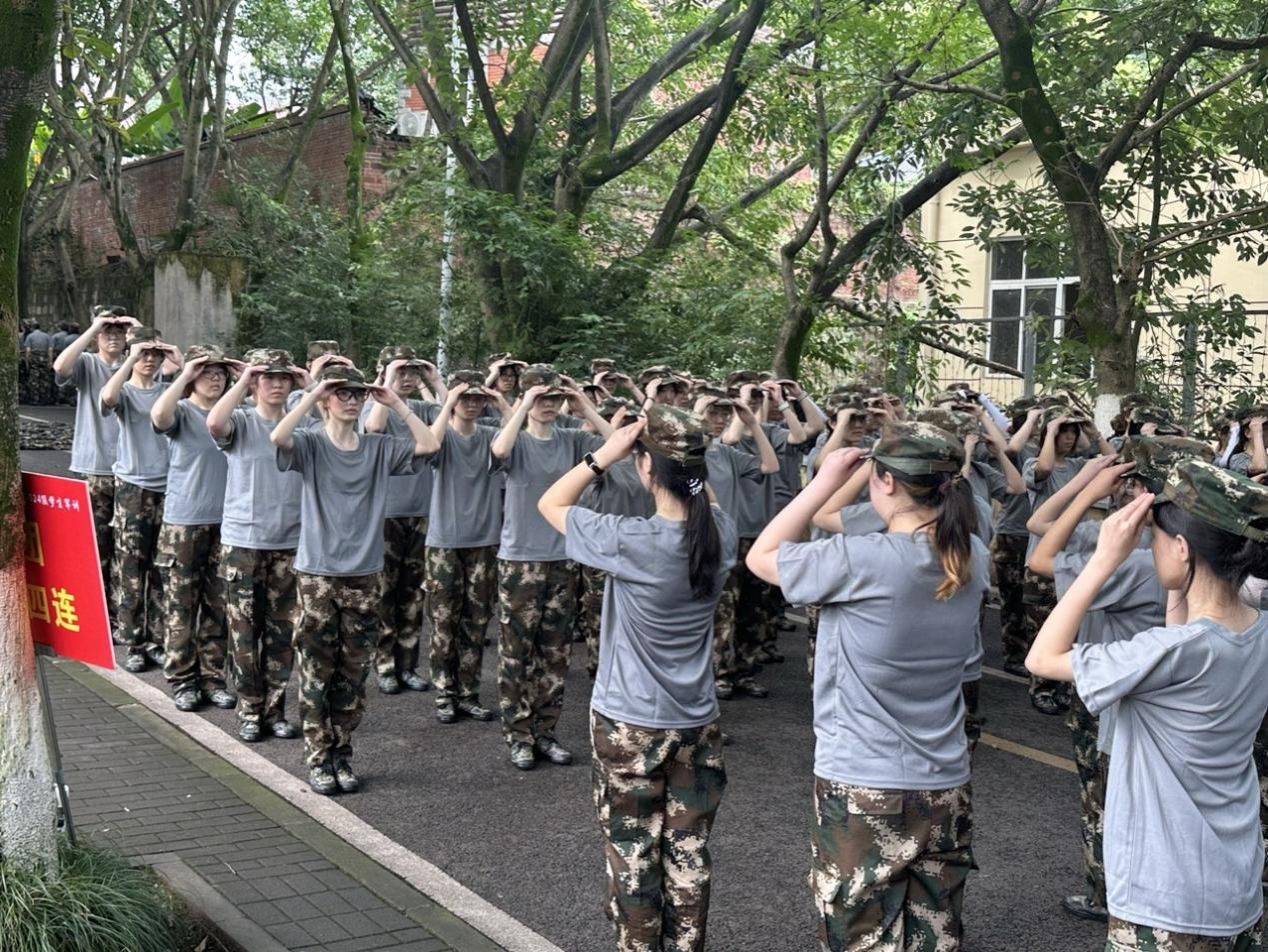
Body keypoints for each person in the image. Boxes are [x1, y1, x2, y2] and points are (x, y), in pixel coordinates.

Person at [746, 422, 987, 951]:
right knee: (935, 936)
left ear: (886, 480)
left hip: (864, 782)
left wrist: (822, 481)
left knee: (860, 938)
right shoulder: (972, 552)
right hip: (944, 781)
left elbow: (761, 557)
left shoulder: (863, 558)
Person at [1027, 459, 1268, 951]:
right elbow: (1186, 629)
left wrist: (1103, 560)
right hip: (1234, 886)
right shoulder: (1255, 630)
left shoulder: (1167, 653)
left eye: (1155, 537)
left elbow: (1042, 657)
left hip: (1164, 900)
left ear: (1181, 548)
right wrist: (1180, 581)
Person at [538, 405, 738, 952]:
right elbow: (703, 497)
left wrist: (604, 454)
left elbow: (551, 503)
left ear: (646, 468)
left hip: (630, 722)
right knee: (689, 851)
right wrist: (678, 458)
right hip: (696, 721)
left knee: (632, 851)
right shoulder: (721, 530)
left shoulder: (631, 540)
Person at [273, 363, 440, 795]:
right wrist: (313, 393)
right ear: (328, 399)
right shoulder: (311, 442)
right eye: (342, 393)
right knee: (316, 671)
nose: (350, 400)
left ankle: (342, 754)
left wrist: (395, 401)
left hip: (364, 574)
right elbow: (279, 438)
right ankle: (318, 757)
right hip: (318, 574)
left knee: (353, 672)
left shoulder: (378, 447)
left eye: (356, 393)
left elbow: (429, 444)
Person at [490, 365, 611, 770]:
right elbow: (499, 452)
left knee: (555, 653)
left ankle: (546, 732)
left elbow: (617, 445)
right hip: (520, 559)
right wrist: (523, 405)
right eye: (541, 398)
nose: (548, 405)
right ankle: (519, 735)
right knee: (516, 653)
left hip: (563, 557)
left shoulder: (572, 438)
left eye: (553, 398)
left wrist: (583, 405)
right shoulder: (516, 438)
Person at [207, 348, 306, 743]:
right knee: (244, 634)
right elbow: (214, 422)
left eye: (283, 377)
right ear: (254, 383)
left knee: (282, 634)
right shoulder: (243, 420)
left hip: (289, 542)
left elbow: (330, 414)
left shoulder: (301, 421)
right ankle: (250, 709)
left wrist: (310, 382)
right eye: (268, 377)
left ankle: (275, 710)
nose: (277, 384)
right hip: (244, 542)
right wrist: (245, 379)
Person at [149, 346, 236, 712]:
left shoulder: (235, 415)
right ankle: (183, 680)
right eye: (206, 371)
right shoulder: (182, 411)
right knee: (181, 607)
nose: (214, 377)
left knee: (218, 605)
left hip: (226, 524)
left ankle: (213, 677)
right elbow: (158, 416)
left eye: (220, 372)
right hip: (183, 522)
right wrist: (184, 373)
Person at [425, 371, 509, 723]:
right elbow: (429, 446)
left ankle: (468, 693)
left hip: (484, 540)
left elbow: (516, 436)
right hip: (445, 542)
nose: (472, 404)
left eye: (478, 398)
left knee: (476, 622)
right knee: (444, 622)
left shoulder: (490, 435)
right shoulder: (441, 434)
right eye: (465, 398)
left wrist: (500, 403)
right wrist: (447, 402)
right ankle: (444, 694)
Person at [100, 326, 183, 672]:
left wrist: (175, 355)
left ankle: (156, 640)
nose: (149, 359)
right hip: (133, 489)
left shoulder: (169, 392)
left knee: (162, 569)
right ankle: (133, 641)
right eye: (143, 353)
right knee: (131, 569)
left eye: (155, 354)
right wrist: (131, 356)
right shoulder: (126, 391)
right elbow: (107, 397)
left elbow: (191, 378)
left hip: (169, 488)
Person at [363, 347, 444, 695]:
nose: (407, 379)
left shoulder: (421, 409)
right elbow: (373, 427)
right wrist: (389, 383)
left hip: (421, 511)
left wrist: (436, 380)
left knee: (413, 594)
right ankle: (384, 664)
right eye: (401, 372)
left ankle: (407, 665)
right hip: (386, 514)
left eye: (413, 372)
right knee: (385, 592)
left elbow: (452, 412)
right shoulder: (370, 404)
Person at [1024, 407, 1111, 715]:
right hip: (1042, 558)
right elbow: (1045, 468)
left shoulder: (1078, 465)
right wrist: (1050, 428)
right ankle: (1041, 688)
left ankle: (1060, 686)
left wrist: (1094, 432)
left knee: (1070, 627)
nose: (1070, 437)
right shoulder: (1033, 463)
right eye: (1065, 432)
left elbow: (1115, 463)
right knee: (1043, 626)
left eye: (1074, 433)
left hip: (1073, 555)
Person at [692, 387, 778, 699]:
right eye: (712, 413)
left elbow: (770, 466)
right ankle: (718, 675)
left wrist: (752, 423)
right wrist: (695, 415)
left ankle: (743, 670)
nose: (719, 419)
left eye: (723, 414)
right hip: (704, 542)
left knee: (749, 609)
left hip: (736, 539)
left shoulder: (725, 454)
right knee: (719, 613)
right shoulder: (685, 454)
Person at [53, 308, 139, 612]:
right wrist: (93, 328)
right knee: (95, 545)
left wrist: (136, 330)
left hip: (134, 471)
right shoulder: (88, 363)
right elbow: (61, 367)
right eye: (107, 331)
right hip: (95, 468)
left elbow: (172, 367)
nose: (113, 336)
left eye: (119, 331)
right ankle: (95, 610)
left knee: (128, 549)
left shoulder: (138, 363)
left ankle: (120, 612)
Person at [574, 397, 654, 677]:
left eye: (632, 423)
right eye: (621, 423)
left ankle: (630, 669)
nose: (628, 428)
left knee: (637, 615)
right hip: (603, 551)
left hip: (640, 549)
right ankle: (600, 668)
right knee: (600, 616)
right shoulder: (600, 459)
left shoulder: (647, 461)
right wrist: (612, 430)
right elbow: (603, 457)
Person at [23, 320, 54, 406]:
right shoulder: (47, 336)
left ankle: (35, 399)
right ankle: (44, 399)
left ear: (33, 328)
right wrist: (50, 361)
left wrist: (27, 361)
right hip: (44, 358)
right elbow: (50, 350)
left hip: (34, 358)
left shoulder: (30, 336)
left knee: (34, 379)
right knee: (45, 379)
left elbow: (28, 350)